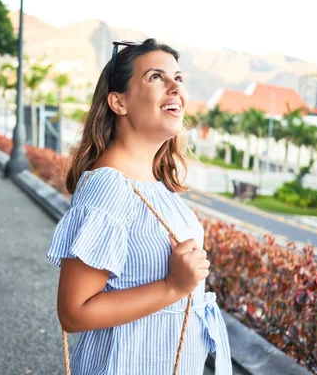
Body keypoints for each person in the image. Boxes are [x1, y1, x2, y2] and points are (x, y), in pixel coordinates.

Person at [46, 39, 232, 374]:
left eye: (178, 78)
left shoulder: (152, 183)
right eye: (157, 77)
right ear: (118, 102)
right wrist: (173, 287)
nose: (176, 86)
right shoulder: (109, 186)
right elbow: (74, 312)